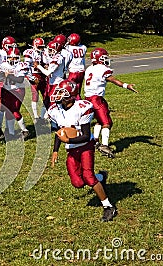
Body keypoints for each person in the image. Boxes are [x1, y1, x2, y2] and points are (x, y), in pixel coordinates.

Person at [48, 80, 117, 222]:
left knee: (88, 176)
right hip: (71, 149)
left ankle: (108, 206)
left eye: (62, 92)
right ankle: (101, 177)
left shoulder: (82, 107)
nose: (58, 95)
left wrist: (69, 141)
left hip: (85, 146)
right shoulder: (55, 110)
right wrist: (56, 150)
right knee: (78, 183)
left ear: (71, 95)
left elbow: (85, 136)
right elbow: (60, 132)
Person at [84, 48, 138, 157]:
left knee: (99, 120)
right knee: (107, 122)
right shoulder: (102, 69)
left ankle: (94, 141)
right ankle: (104, 145)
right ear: (100, 58)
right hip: (96, 99)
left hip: (88, 98)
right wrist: (126, 85)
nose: (106, 59)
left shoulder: (89, 68)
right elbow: (113, 80)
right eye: (104, 57)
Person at [0, 47, 30, 139]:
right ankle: (11, 133)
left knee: (14, 110)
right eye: (11, 57)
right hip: (7, 90)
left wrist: (9, 75)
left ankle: (25, 130)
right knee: (8, 111)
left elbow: (20, 79)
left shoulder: (21, 65)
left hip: (18, 90)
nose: (13, 59)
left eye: (15, 57)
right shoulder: (4, 65)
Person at [0, 36, 17, 138]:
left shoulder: (11, 52)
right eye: (9, 46)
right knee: (2, 104)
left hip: (11, 80)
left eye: (12, 46)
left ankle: (7, 128)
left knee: (9, 104)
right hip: (2, 80)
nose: (11, 48)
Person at [34, 41, 66, 110]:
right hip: (53, 82)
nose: (49, 51)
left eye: (51, 50)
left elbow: (48, 73)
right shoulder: (57, 57)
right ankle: (43, 118)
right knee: (47, 101)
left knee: (53, 104)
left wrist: (38, 66)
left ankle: (54, 119)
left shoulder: (57, 58)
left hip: (57, 83)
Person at [23, 37, 48, 122]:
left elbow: (45, 63)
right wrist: (31, 77)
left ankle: (42, 115)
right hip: (34, 74)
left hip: (42, 75)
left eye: (42, 46)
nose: (41, 48)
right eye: (40, 46)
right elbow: (26, 67)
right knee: (35, 96)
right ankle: (36, 116)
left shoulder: (43, 53)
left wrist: (45, 66)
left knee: (46, 95)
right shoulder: (30, 52)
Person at [65, 33, 87, 99]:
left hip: (73, 72)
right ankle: (78, 101)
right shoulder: (83, 47)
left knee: (69, 89)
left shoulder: (68, 48)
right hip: (81, 71)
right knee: (77, 91)